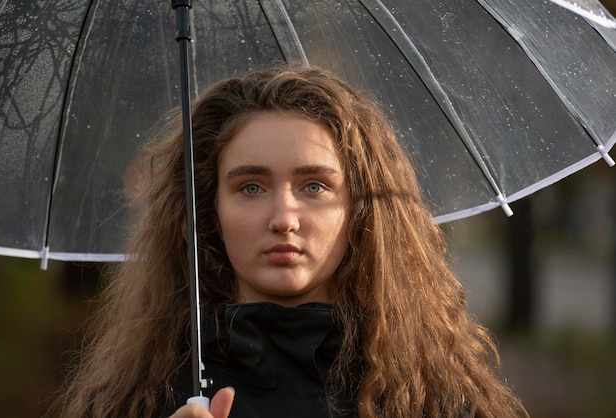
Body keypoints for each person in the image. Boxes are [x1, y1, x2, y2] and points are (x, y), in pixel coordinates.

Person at [52, 65, 528, 418]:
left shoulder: (432, 401)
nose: (283, 218)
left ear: (360, 209)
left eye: (314, 186)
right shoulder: (135, 401)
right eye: (251, 187)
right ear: (208, 210)